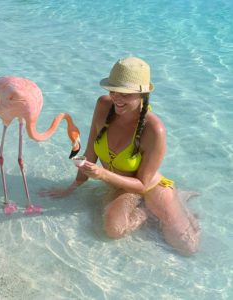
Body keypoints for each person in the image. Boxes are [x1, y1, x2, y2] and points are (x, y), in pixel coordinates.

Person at [40, 57, 200, 255]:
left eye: (125, 94)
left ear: (143, 94)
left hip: (149, 186)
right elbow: (90, 153)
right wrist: (71, 187)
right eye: (113, 90)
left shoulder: (154, 129)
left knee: (187, 248)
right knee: (113, 230)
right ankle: (146, 212)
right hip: (122, 186)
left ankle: (174, 199)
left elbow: (142, 183)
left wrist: (103, 175)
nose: (117, 97)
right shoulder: (103, 105)